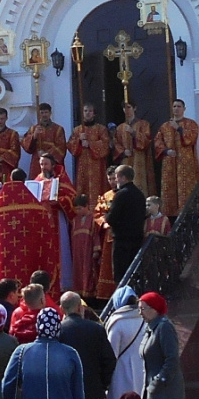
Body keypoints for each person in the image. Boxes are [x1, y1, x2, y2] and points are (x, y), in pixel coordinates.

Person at [0, 170, 68, 295]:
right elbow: (46, 236)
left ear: (10, 178)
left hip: (5, 260)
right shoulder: (38, 209)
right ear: (25, 180)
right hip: (30, 259)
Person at [68, 104, 112, 295]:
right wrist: (79, 143)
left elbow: (106, 147)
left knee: (98, 193)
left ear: (94, 113)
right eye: (84, 111)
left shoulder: (101, 129)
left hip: (97, 168)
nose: (87, 114)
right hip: (83, 169)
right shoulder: (78, 130)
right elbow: (71, 148)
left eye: (90, 111)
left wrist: (91, 144)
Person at [101, 289, 146, 399]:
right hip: (141, 370)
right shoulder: (143, 318)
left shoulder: (117, 322)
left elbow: (111, 353)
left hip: (121, 372)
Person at [154, 102, 199, 219]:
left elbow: (192, 138)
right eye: (174, 106)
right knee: (170, 189)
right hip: (169, 162)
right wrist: (165, 151)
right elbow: (158, 142)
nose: (176, 109)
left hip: (185, 163)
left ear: (184, 108)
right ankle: (170, 216)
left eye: (179, 106)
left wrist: (179, 129)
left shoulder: (191, 124)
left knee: (185, 188)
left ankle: (188, 214)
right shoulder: (164, 126)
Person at [105, 168, 147, 289]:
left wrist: (106, 215)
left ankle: (123, 301)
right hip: (137, 238)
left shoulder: (121, 194)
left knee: (121, 274)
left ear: (123, 178)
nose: (115, 180)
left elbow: (112, 218)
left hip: (122, 239)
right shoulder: (139, 194)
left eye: (117, 177)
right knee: (134, 272)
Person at [112, 105, 153, 205]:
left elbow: (147, 141)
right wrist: (122, 151)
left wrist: (134, 133)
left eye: (129, 107)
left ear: (134, 108)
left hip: (139, 159)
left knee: (139, 183)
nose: (127, 110)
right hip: (126, 159)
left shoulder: (143, 124)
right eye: (124, 108)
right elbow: (116, 143)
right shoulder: (120, 128)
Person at [21, 104, 67, 180]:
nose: (44, 115)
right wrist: (34, 136)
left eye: (46, 112)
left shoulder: (58, 129)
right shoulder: (33, 129)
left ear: (50, 113)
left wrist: (46, 155)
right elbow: (26, 146)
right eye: (42, 113)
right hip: (37, 162)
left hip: (52, 163)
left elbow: (61, 148)